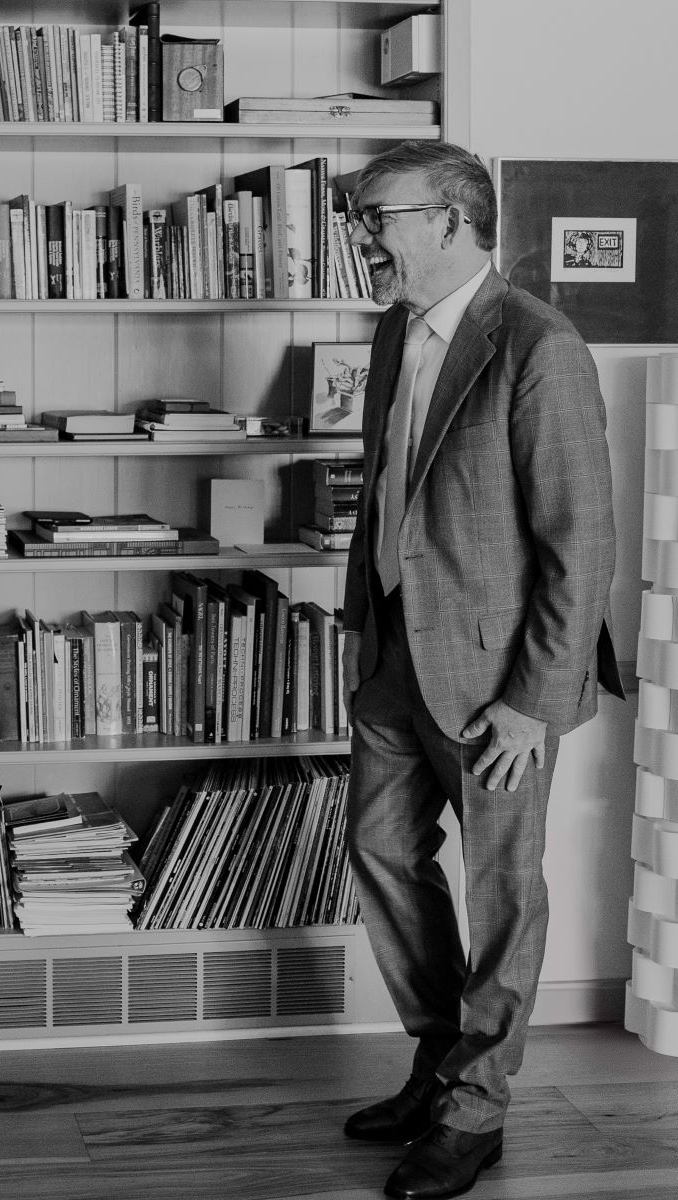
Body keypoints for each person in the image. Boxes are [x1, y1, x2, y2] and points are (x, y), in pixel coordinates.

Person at [338, 140, 622, 1200]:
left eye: (377, 216)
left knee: (503, 893)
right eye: (359, 216)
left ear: (451, 220)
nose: (362, 234)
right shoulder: (391, 335)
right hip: (391, 658)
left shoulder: (537, 344)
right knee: (380, 853)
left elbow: (578, 544)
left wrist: (530, 704)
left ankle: (475, 1111)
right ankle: (439, 1061)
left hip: (500, 687)